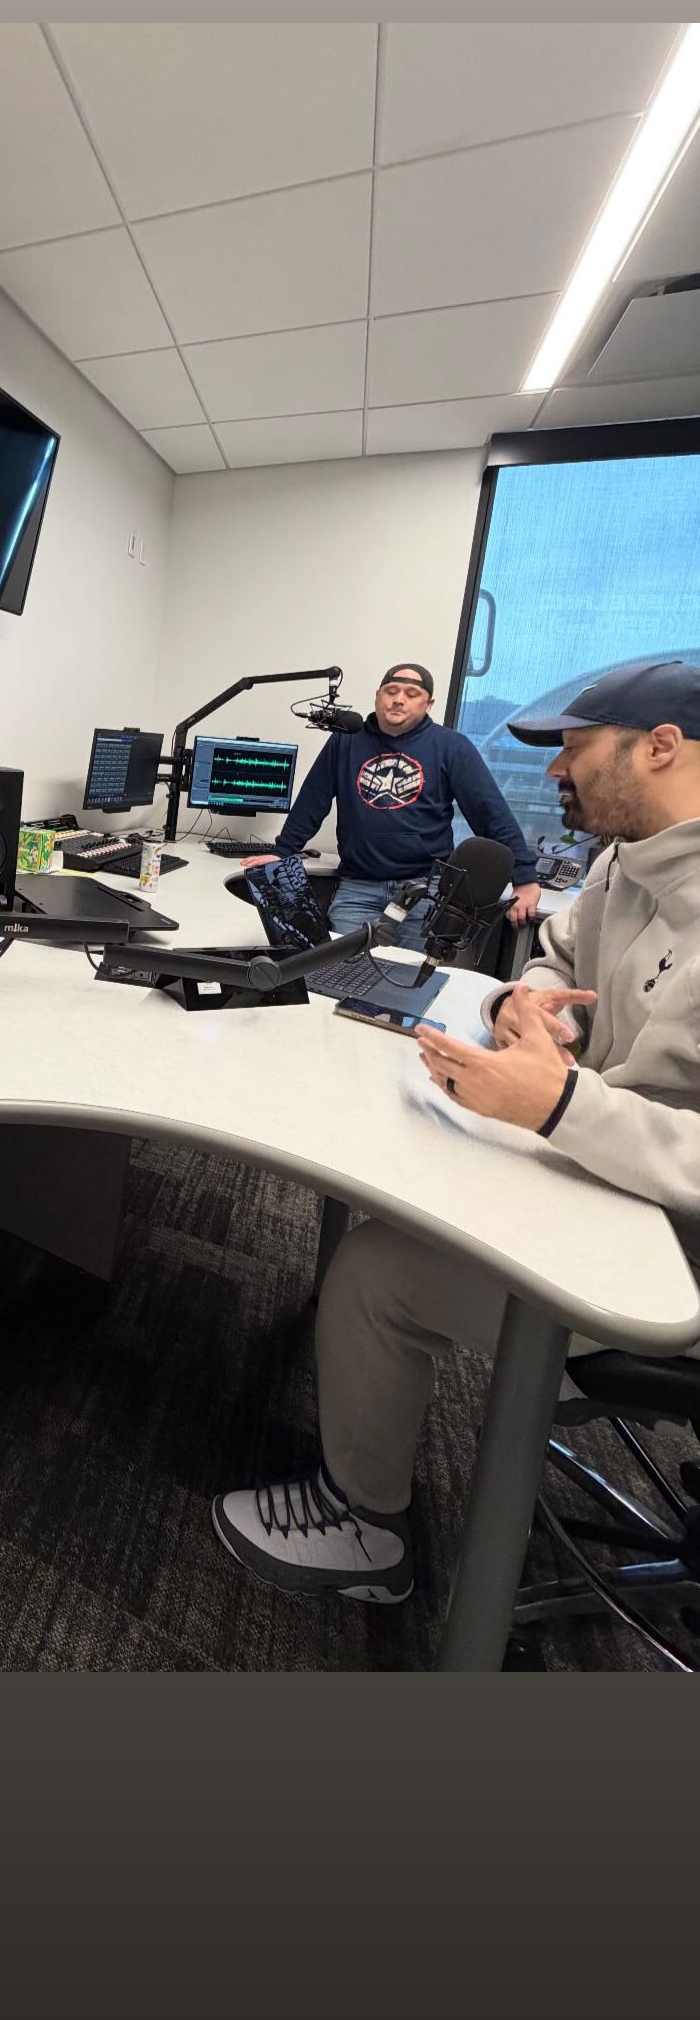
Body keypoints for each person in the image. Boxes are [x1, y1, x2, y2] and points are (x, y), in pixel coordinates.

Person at [213, 658, 700, 1606]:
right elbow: (558, 961)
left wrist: (557, 1104)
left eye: (574, 749)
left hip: (669, 1261)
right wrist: (527, 1003)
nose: (555, 771)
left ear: (660, 747)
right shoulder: (623, 860)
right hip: (603, 1176)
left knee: (375, 1271)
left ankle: (364, 1532)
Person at [243, 662, 542, 951]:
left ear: (429, 704)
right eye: (391, 691)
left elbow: (490, 812)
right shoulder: (345, 741)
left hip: (425, 889)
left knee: (409, 975)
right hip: (358, 886)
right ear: (378, 695)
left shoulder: (452, 747)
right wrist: (283, 851)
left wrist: (525, 877)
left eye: (412, 694)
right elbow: (313, 799)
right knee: (343, 969)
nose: (399, 699)